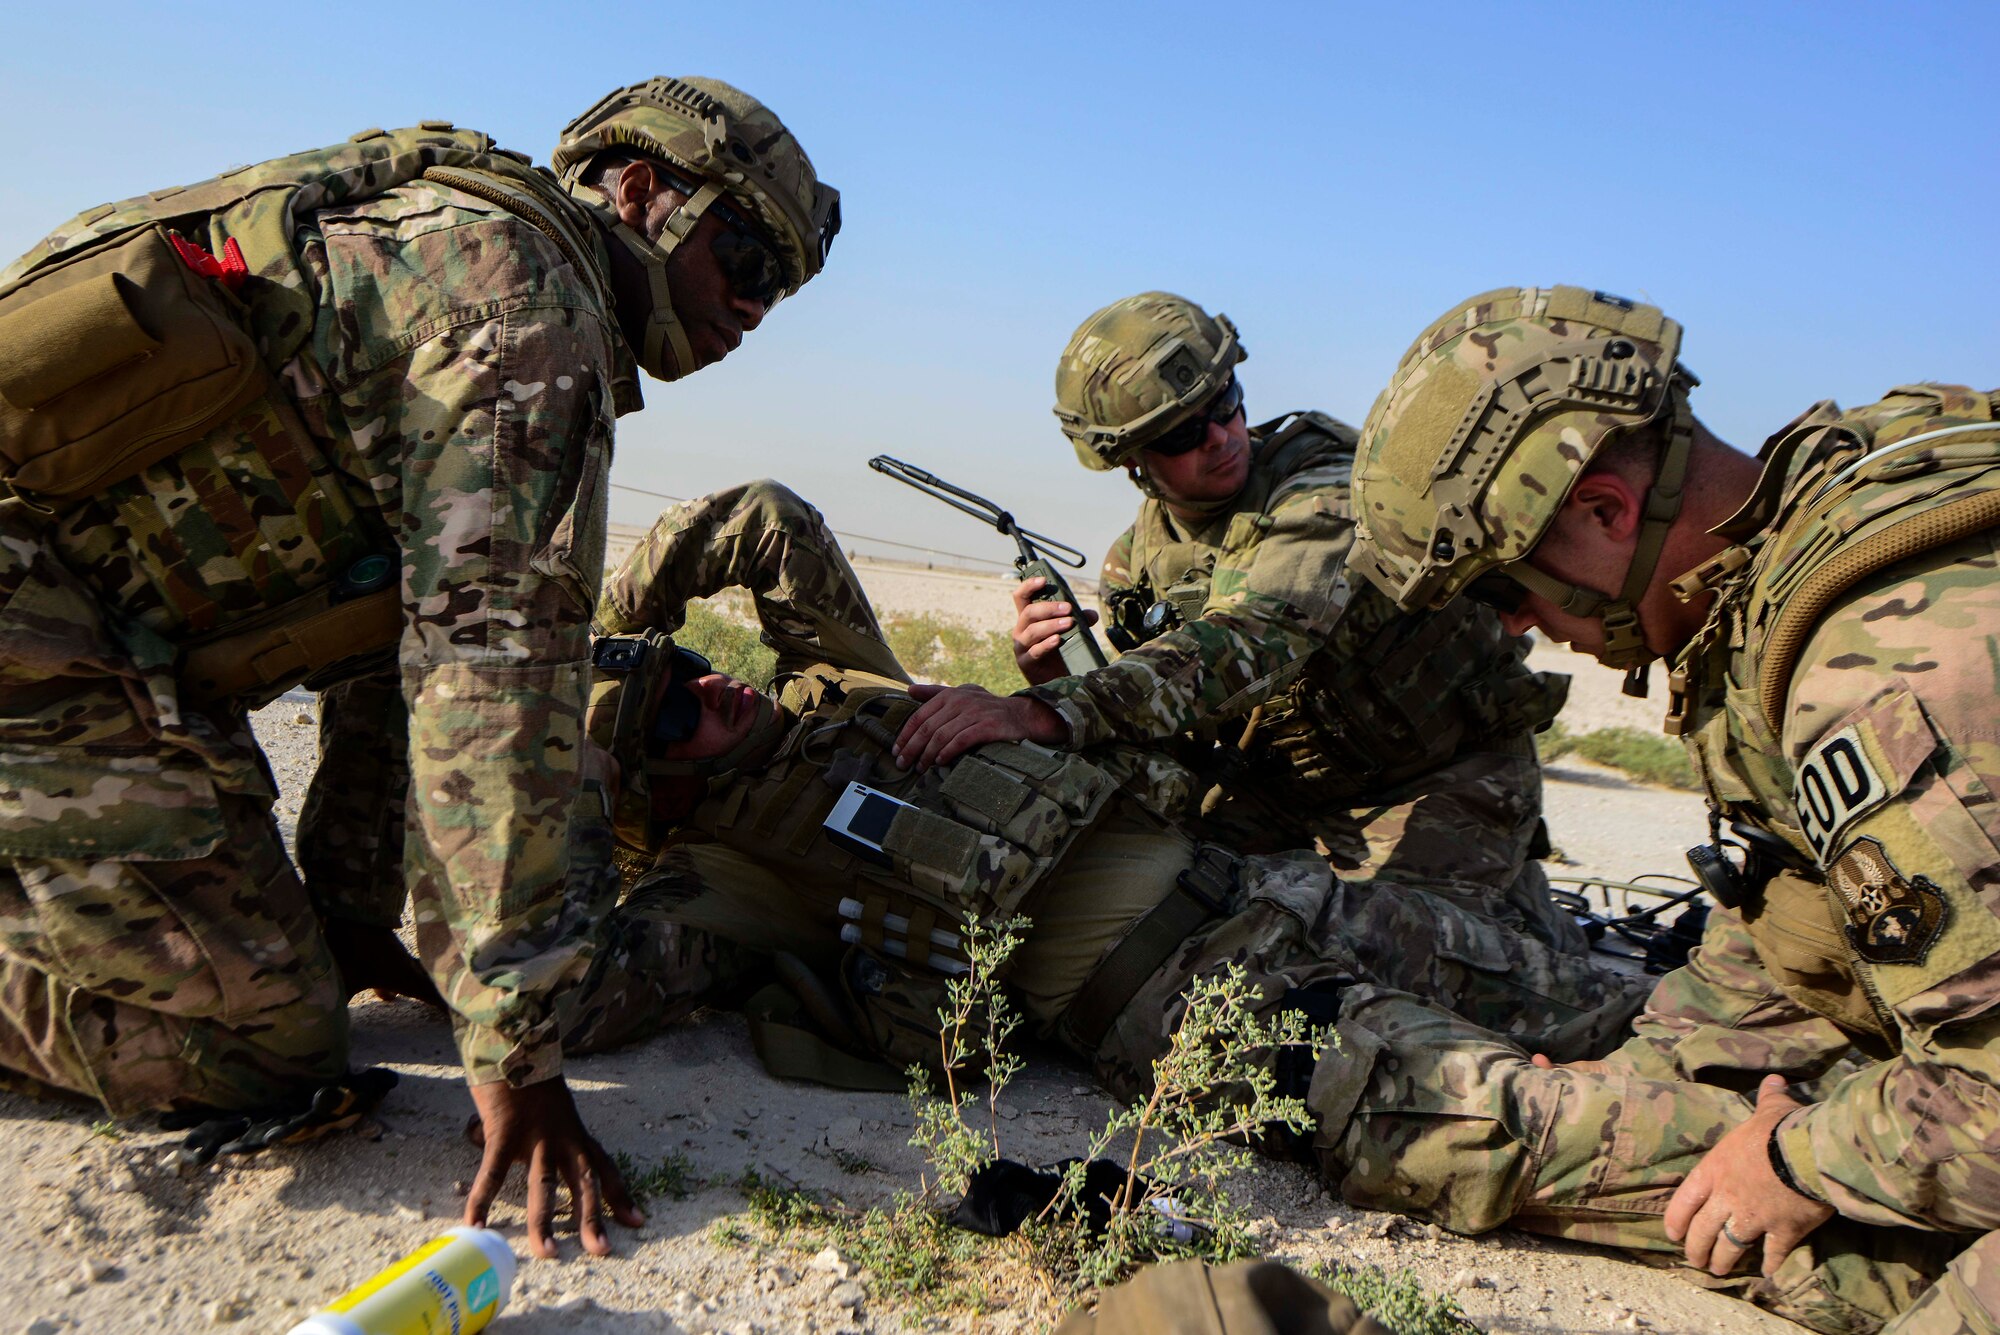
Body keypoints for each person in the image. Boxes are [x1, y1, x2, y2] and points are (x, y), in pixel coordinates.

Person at [0, 76, 837, 1259]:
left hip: (92, 631)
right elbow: (491, 692)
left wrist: (342, 908)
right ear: (642, 191)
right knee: (262, 1047)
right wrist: (515, 1055)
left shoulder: (462, 235)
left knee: (283, 963)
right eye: (745, 256)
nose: (755, 306)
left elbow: (381, 649)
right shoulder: (525, 319)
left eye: (783, 286)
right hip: (40, 621)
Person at [1309, 284, 2000, 1331]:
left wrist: (1794, 1161)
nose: (1519, 633)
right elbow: (1791, 903)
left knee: (1803, 1246)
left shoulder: (1876, 674)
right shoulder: (1802, 533)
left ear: (1602, 510)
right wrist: (1642, 1073)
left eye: (1508, 594)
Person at [583, 480, 1646, 1108]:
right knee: (1537, 1122)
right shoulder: (717, 872)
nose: (705, 689)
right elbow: (593, 985)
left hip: (1267, 890)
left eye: (681, 667)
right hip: (1187, 1002)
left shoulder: (836, 685)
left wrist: (606, 638)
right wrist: (565, 806)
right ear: (656, 787)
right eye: (669, 717)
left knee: (1607, 1011)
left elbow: (760, 519)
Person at [892, 293, 1583, 951]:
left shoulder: (1324, 482)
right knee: (1164, 906)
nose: (1221, 437)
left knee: (1380, 948)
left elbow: (1257, 635)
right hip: (1293, 799)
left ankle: (1526, 918)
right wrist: (1055, 675)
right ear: (1130, 459)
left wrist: (1048, 710)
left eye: (1226, 405)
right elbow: (1174, 728)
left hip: (1441, 778)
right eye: (1184, 433)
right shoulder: (1137, 564)